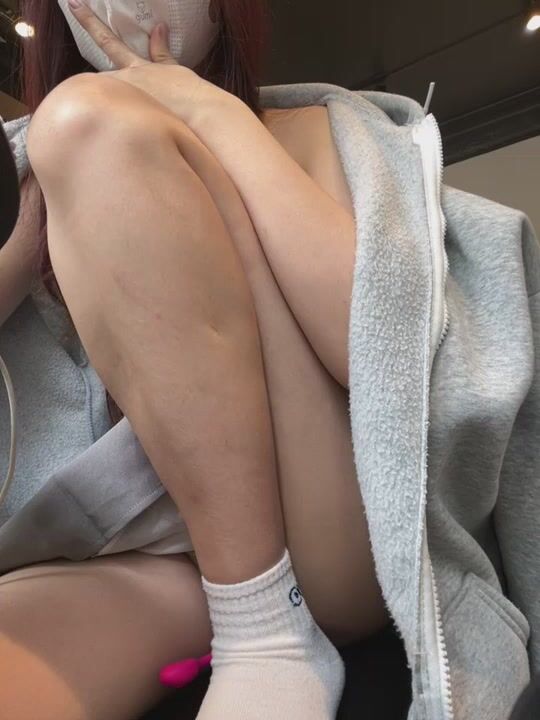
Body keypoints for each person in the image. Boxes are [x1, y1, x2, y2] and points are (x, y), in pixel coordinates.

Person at [0, 1, 390, 718]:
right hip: (141, 558)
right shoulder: (28, 160)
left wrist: (212, 116)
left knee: (89, 122)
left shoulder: (311, 127)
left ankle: (264, 626)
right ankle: (251, 619)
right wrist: (30, 235)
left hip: (316, 536)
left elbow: (381, 350)